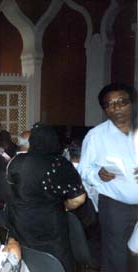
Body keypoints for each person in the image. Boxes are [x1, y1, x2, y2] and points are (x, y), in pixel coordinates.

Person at [7, 123, 86, 272]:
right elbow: (79, 199)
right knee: (56, 263)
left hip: (21, 221)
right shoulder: (60, 164)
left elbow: (11, 187)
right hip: (50, 225)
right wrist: (65, 206)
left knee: (29, 258)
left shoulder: (17, 161)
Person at [78, 83, 138, 271]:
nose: (116, 107)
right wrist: (98, 174)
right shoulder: (96, 136)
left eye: (122, 101)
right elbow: (83, 169)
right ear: (105, 109)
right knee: (116, 256)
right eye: (110, 104)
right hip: (116, 207)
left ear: (132, 103)